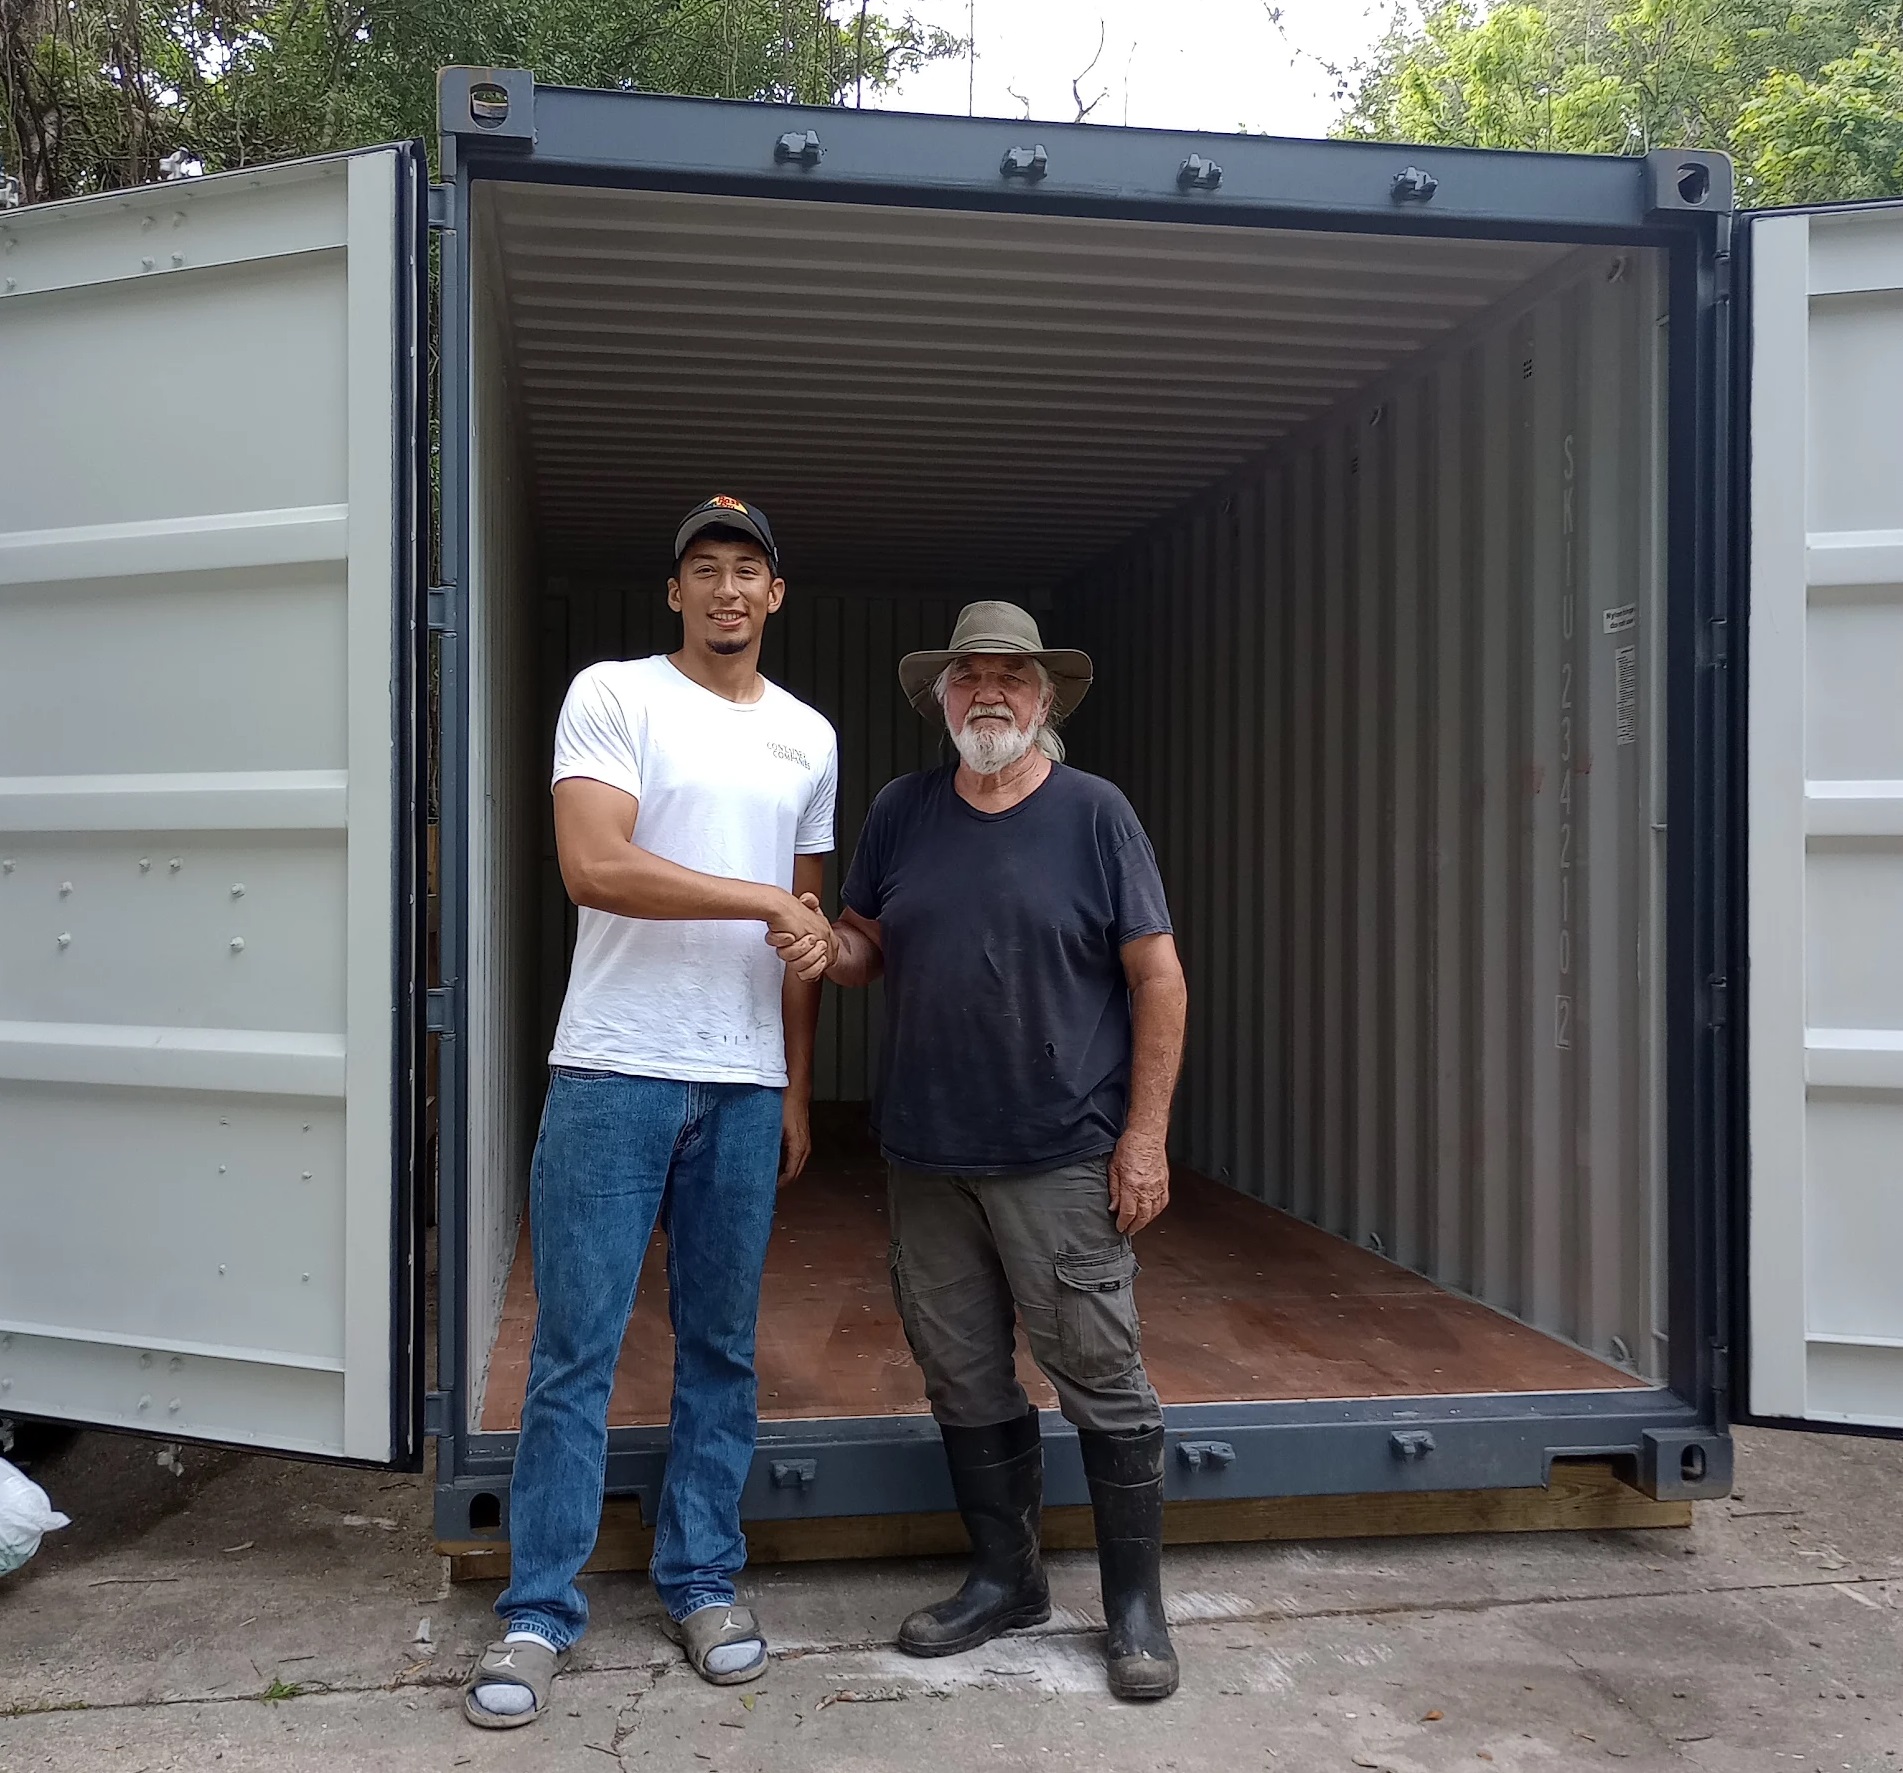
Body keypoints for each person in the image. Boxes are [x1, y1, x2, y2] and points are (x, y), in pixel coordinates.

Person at [464, 497, 839, 1730]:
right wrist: (758, 900)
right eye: (704, 570)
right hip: (614, 1070)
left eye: (748, 571)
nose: (727, 590)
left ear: (775, 595)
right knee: (574, 1353)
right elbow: (596, 865)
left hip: (741, 1089)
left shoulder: (809, 738)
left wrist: (792, 1080)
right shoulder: (614, 694)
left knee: (720, 1354)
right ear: (673, 591)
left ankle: (701, 1580)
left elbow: (806, 930)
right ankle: (538, 1610)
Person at [813, 601, 1189, 1702]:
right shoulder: (901, 812)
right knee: (963, 1377)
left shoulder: (1094, 815)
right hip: (925, 1158)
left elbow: (1157, 980)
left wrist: (1145, 1139)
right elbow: (862, 950)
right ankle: (1004, 1580)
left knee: (1104, 1380)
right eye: (968, 677)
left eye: (1011, 679)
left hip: (1062, 1155)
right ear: (941, 699)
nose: (989, 694)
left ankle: (1134, 1611)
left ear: (1045, 699)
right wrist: (806, 936)